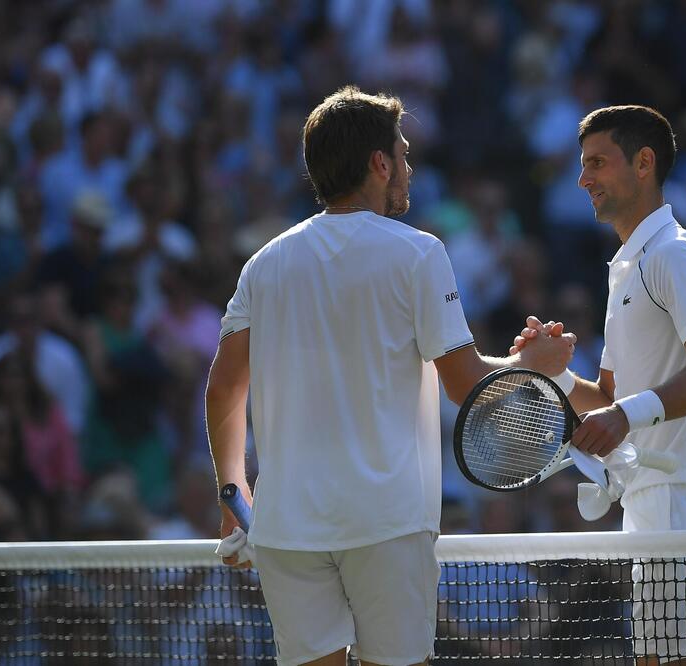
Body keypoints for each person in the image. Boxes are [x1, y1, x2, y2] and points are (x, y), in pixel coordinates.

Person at [205, 85, 574, 666]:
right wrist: (534, 366)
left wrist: (233, 492)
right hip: (388, 524)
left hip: (287, 525)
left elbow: (225, 387)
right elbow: (465, 384)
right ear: (379, 164)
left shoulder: (264, 263)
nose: (408, 166)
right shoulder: (420, 253)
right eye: (402, 154)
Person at [512, 104, 686, 666]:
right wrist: (558, 375)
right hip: (648, 505)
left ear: (644, 163)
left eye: (597, 162)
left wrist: (625, 416)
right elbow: (612, 402)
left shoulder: (675, 254)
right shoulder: (626, 265)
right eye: (582, 164)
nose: (583, 178)